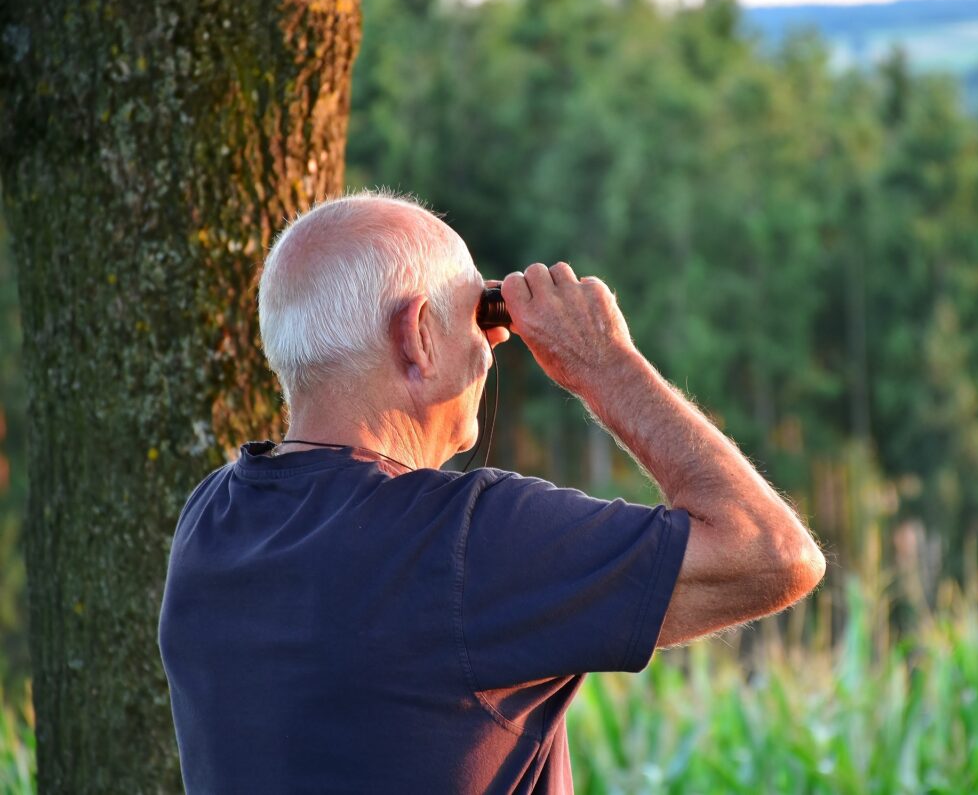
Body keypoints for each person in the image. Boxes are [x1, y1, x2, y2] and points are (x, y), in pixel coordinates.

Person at [158, 191, 825, 794]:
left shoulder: (210, 523)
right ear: (416, 336)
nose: (490, 348)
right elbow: (772, 552)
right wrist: (605, 364)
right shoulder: (465, 542)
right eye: (477, 315)